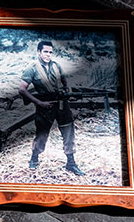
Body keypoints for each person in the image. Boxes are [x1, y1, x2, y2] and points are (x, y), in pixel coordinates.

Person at [18, 40, 85, 176]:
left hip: (61, 103)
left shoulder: (56, 65)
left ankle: (71, 163)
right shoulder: (32, 68)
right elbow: (22, 89)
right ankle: (34, 158)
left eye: (50, 52)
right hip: (45, 105)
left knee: (68, 132)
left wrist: (66, 88)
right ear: (39, 52)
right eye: (45, 52)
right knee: (42, 134)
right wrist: (38, 102)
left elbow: (64, 79)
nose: (48, 55)